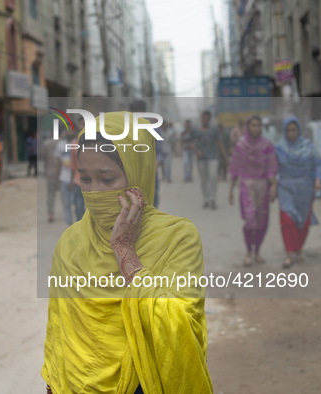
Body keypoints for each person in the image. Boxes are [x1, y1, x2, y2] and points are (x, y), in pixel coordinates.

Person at [43, 112, 212, 394]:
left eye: (107, 179)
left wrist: (125, 250)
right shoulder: (70, 243)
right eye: (85, 178)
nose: (94, 192)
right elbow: (58, 332)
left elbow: (179, 329)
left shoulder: (178, 237)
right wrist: (52, 383)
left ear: (138, 174)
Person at [275, 115, 321, 268]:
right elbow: (272, 168)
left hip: (305, 191)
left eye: (294, 130)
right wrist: (272, 185)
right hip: (286, 188)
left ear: (298, 130)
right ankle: (289, 253)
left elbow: (319, 164)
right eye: (288, 130)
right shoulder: (279, 148)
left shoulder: (309, 147)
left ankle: (299, 249)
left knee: (303, 222)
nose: (291, 133)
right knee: (287, 220)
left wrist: (319, 179)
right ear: (284, 132)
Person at [228, 116, 279, 267]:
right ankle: (248, 252)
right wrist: (231, 190)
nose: (256, 128)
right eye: (253, 125)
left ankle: (258, 250)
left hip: (263, 186)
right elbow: (235, 168)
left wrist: (274, 186)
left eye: (259, 125)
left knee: (262, 222)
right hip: (247, 186)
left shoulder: (267, 145)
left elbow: (271, 167)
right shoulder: (241, 146)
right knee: (250, 220)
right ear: (247, 127)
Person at [191, 110, 229, 210]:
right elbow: (189, 142)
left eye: (207, 118)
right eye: (204, 118)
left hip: (213, 157)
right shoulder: (196, 130)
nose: (205, 120)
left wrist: (226, 158)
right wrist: (196, 151)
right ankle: (206, 199)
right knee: (204, 180)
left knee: (213, 177)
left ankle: (212, 198)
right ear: (201, 118)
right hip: (201, 159)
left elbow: (220, 143)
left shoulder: (214, 130)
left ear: (209, 119)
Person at [54, 126, 77, 226]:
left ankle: (79, 224)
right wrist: (57, 179)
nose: (69, 132)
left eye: (71, 130)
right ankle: (69, 223)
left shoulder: (78, 144)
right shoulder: (60, 145)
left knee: (77, 204)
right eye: (67, 130)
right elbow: (58, 163)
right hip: (64, 178)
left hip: (76, 179)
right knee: (66, 203)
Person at [41, 130, 60, 222]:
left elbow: (44, 157)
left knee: (51, 194)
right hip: (63, 173)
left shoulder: (46, 144)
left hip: (50, 172)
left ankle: (50, 214)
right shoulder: (62, 143)